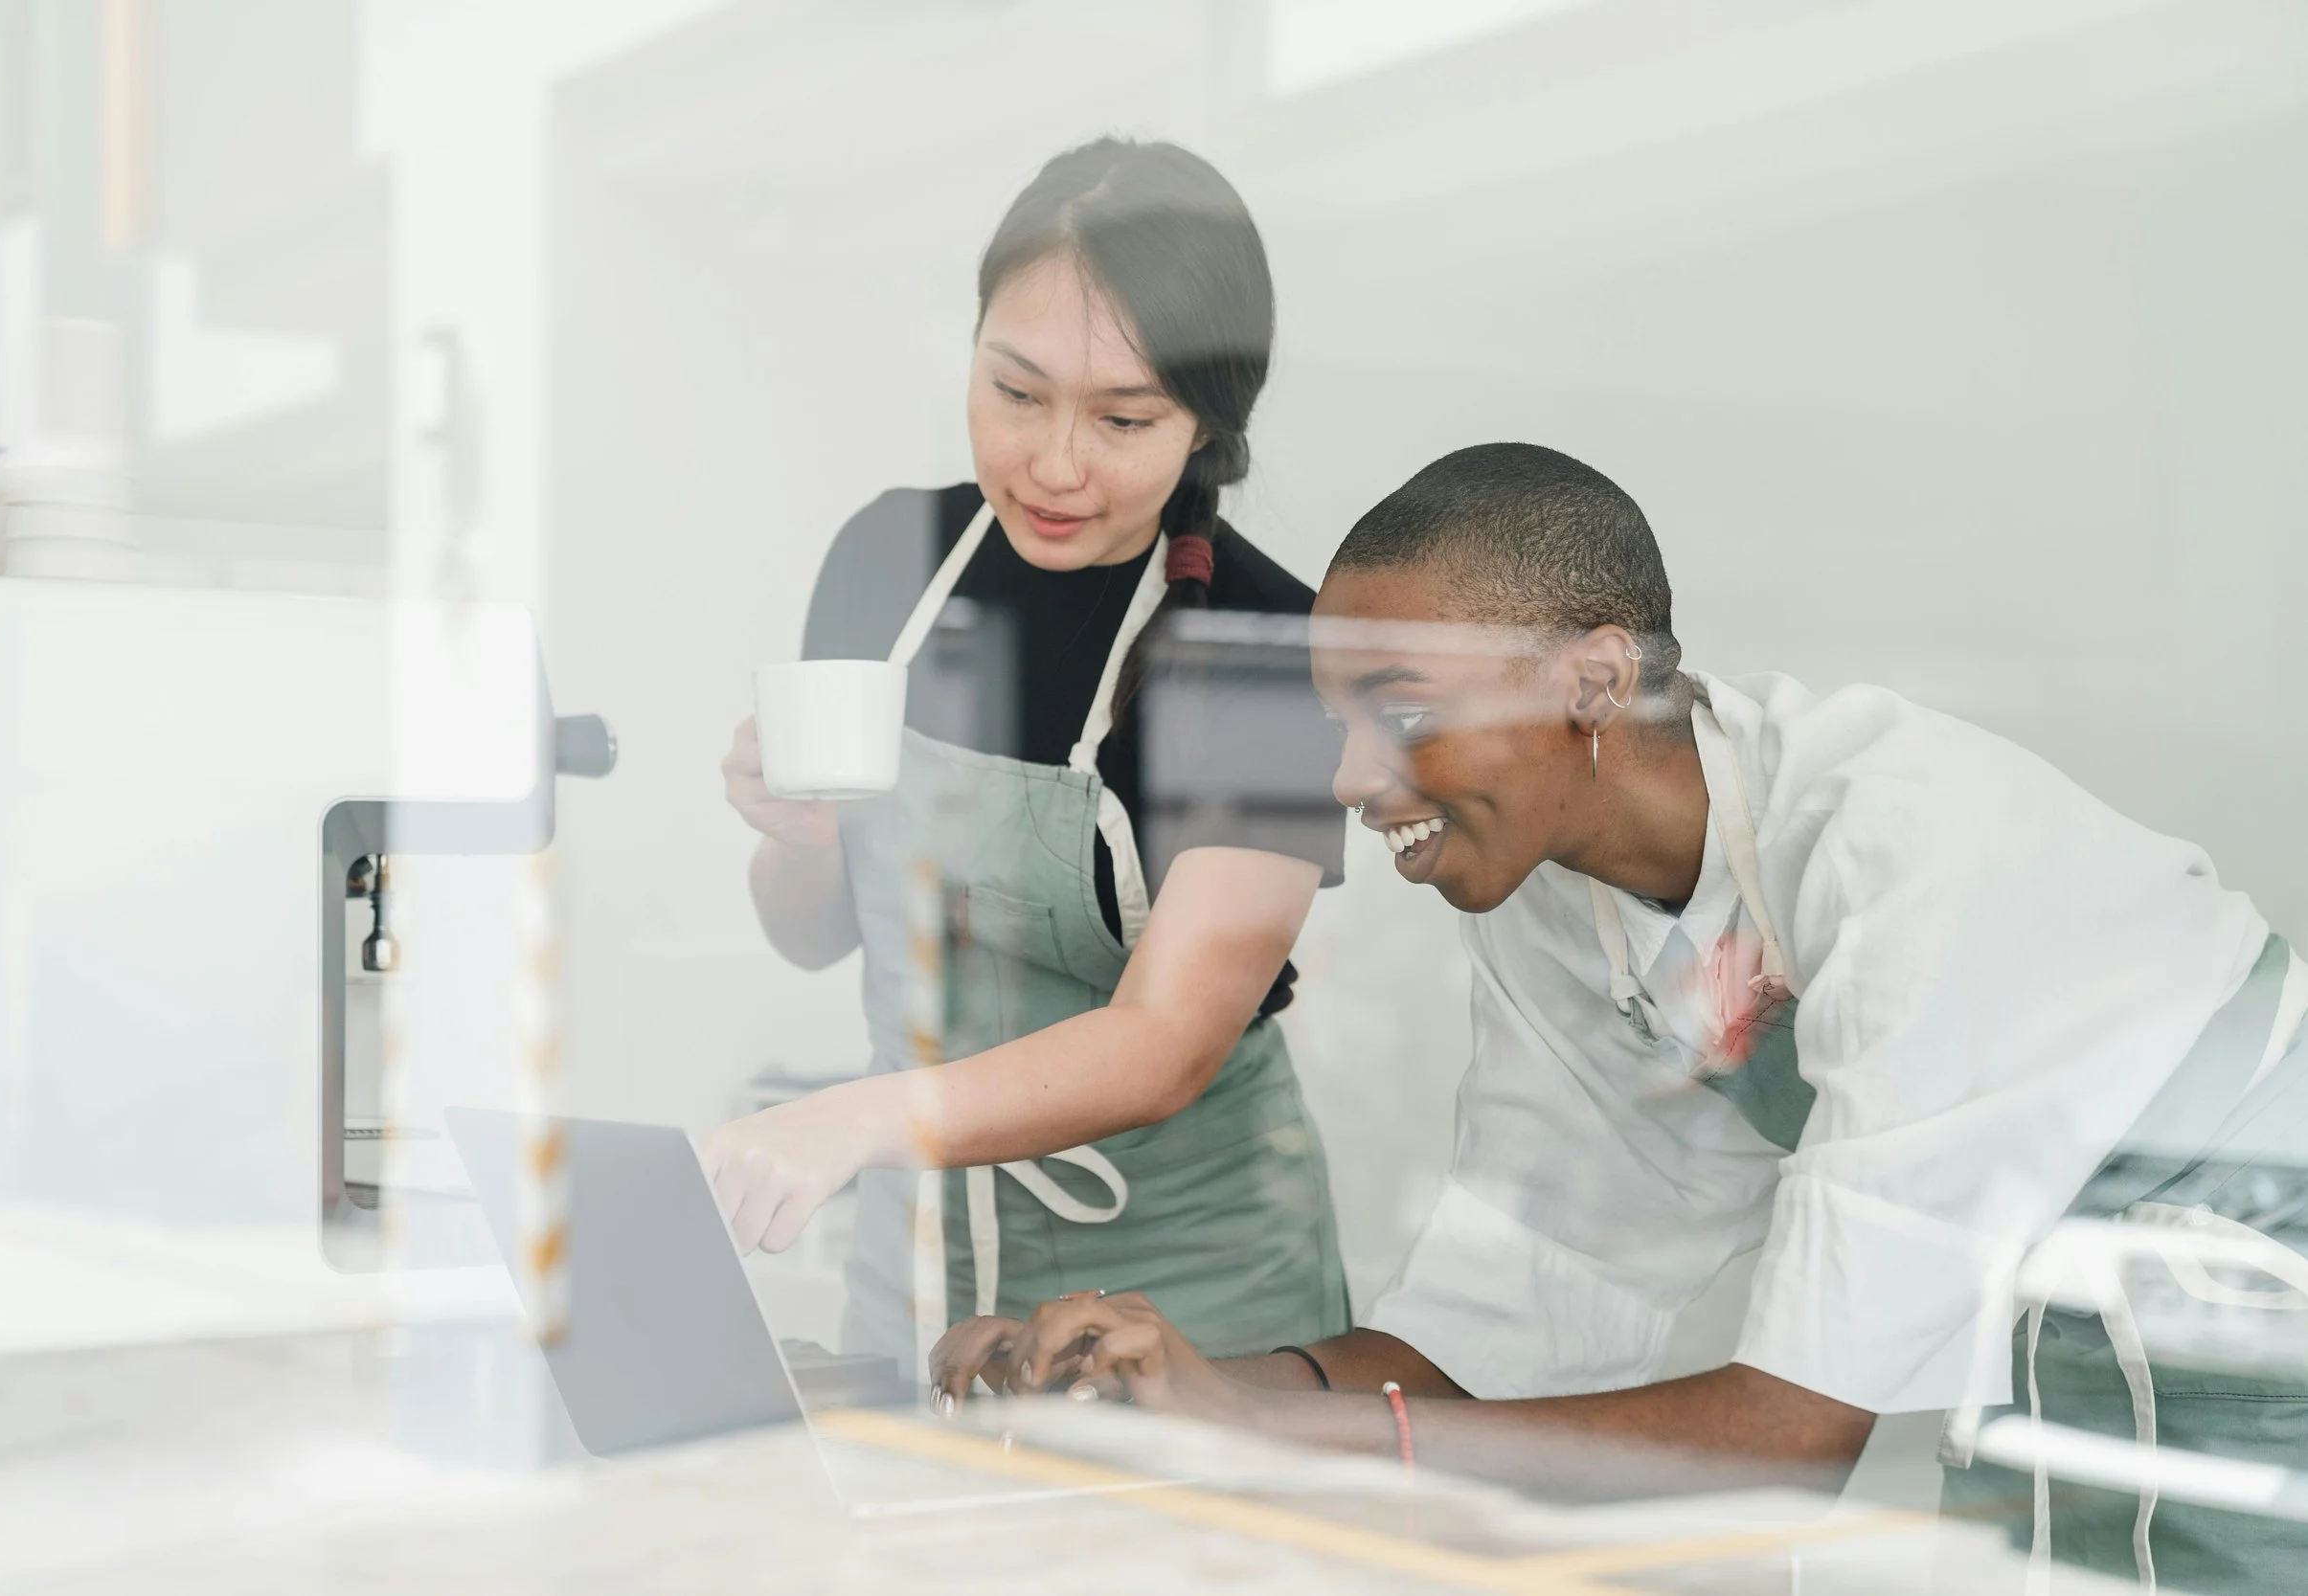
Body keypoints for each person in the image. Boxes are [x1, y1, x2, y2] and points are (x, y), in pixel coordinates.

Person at [931, 443, 2308, 1593]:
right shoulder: (1556, 906)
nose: (1346, 779)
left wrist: (1247, 1432)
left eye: (1398, 711)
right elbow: (1490, 1335)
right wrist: (1147, 1389)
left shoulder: (1904, 852)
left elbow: (1782, 1444)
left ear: (1593, 681)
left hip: (2259, 1336)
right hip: (2084, 1370)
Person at [709, 138, 1351, 1381]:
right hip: (922, 1258)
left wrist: (854, 1120)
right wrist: (800, 836)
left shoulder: (1266, 646)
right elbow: (811, 931)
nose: (1055, 464)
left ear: (1207, 426)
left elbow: (1167, 1041)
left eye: (1123, 419)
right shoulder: (888, 561)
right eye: (1015, 392)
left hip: (1192, 1285)